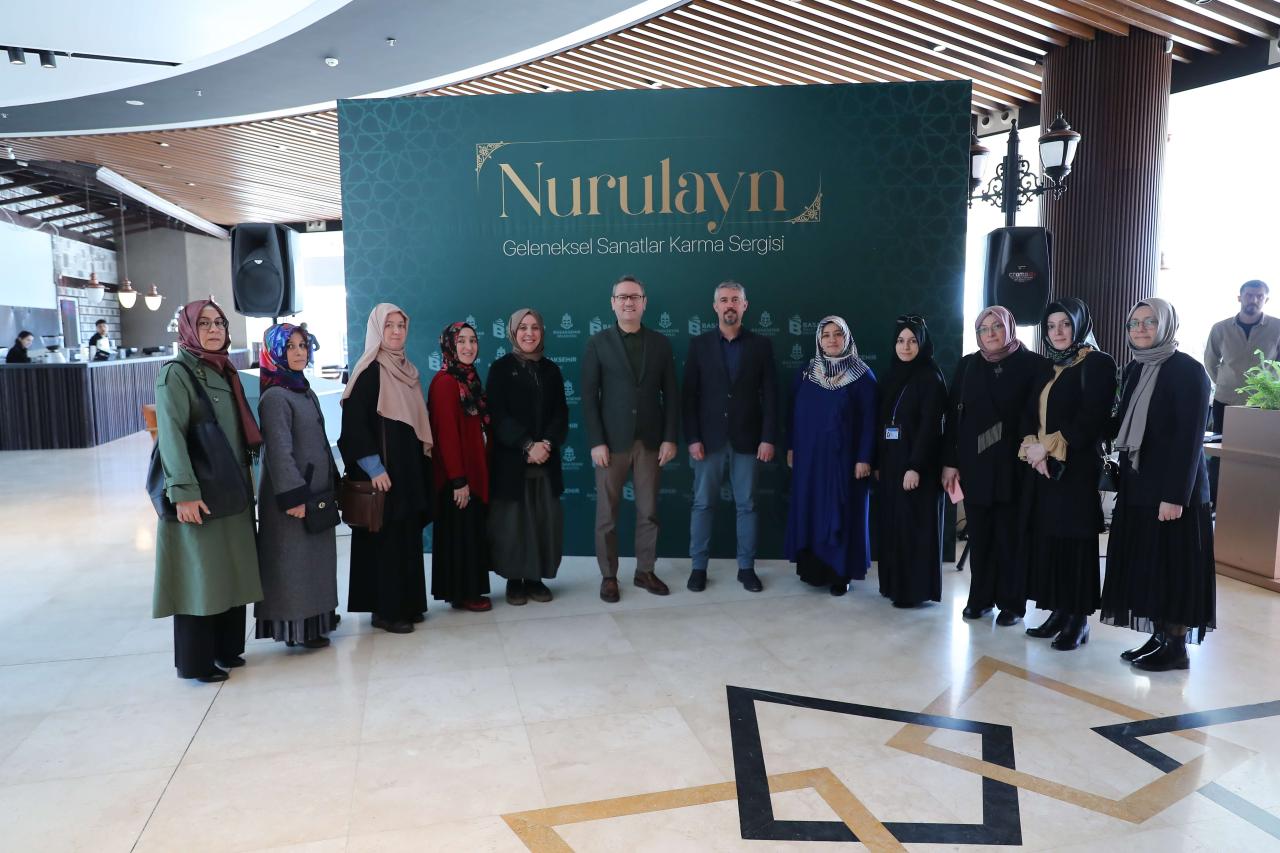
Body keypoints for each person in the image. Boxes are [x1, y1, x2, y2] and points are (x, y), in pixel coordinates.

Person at [1102, 298, 1215, 671]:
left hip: (1174, 493)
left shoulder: (1190, 372)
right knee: (1150, 565)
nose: (1140, 329)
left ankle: (1176, 646)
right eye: (1133, 323)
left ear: (1166, 325)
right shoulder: (1136, 368)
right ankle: (1159, 636)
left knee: (1173, 567)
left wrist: (1174, 496)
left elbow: (1189, 441)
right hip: (1139, 486)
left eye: (1149, 321)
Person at [152, 300, 263, 682]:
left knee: (230, 567)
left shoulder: (224, 369)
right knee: (200, 574)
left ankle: (227, 648)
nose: (214, 330)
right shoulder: (177, 373)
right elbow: (171, 436)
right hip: (201, 491)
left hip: (231, 488)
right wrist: (183, 491)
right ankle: (197, 662)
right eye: (204, 323)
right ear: (187, 329)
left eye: (219, 323)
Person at [1019, 297, 1117, 651]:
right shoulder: (1048, 366)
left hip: (1076, 470)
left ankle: (1078, 620)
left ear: (1079, 325)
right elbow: (1029, 412)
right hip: (1044, 469)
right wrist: (1033, 446)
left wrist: (1047, 447)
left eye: (1065, 324)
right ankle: (1058, 612)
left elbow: (1093, 418)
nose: (1057, 332)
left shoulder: (1098, 363)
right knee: (1051, 541)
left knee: (1075, 543)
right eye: (1051, 326)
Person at [581, 274, 679, 603]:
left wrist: (670, 438)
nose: (628, 302)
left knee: (648, 511)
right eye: (622, 297)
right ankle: (609, 576)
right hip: (610, 443)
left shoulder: (660, 343)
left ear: (644, 302)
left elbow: (672, 395)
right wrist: (596, 441)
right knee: (607, 515)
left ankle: (644, 571)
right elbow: (588, 397)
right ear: (613, 303)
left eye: (634, 297)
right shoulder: (597, 343)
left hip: (650, 442)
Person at [941, 306, 1042, 625]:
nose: (990, 334)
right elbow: (953, 417)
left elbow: (1036, 416)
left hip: (1015, 463)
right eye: (983, 329)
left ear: (1009, 328)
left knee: (1011, 536)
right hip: (976, 463)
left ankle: (1012, 603)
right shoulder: (968, 365)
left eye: (996, 326)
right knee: (981, 534)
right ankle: (980, 598)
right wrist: (950, 462)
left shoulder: (1033, 364)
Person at [338, 303, 434, 634]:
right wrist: (374, 468)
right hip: (382, 476)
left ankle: (409, 604)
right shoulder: (369, 373)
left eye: (401, 325)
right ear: (377, 330)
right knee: (386, 542)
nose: (396, 331)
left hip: (407, 473)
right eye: (389, 325)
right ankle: (386, 611)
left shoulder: (408, 372)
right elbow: (354, 427)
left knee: (406, 538)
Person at [682, 281, 778, 593]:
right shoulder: (699, 345)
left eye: (735, 299)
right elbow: (689, 397)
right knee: (702, 504)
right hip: (707, 441)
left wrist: (768, 437)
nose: (730, 305)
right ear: (715, 307)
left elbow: (771, 396)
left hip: (748, 440)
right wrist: (692, 438)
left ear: (744, 305)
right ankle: (698, 568)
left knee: (747, 505)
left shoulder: (761, 345)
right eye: (724, 300)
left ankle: (746, 569)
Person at [254, 323, 338, 649]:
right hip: (292, 499)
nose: (299, 352)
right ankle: (296, 630)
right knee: (293, 565)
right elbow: (278, 451)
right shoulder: (275, 396)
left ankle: (317, 622)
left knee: (315, 563)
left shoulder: (303, 389)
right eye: (290, 347)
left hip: (315, 492)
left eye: (303, 345)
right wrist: (293, 497)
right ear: (275, 352)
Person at [785, 316, 877, 596]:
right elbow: (792, 415)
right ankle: (813, 571)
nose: (832, 339)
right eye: (826, 335)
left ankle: (840, 574)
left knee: (842, 514)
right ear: (819, 341)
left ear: (847, 338)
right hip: (810, 462)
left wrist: (864, 458)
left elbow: (871, 421)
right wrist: (791, 447)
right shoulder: (806, 373)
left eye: (838, 334)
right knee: (812, 512)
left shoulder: (862, 376)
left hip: (845, 464)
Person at [486, 308, 569, 606]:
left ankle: (535, 579)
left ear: (542, 332)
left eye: (534, 327)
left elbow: (561, 413)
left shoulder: (552, 370)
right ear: (513, 332)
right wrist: (526, 445)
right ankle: (514, 580)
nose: (529, 333)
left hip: (546, 461)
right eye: (523, 327)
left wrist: (546, 443)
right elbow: (497, 415)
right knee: (514, 525)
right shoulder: (500, 369)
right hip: (512, 463)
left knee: (543, 522)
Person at [875, 314, 947, 608]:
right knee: (894, 526)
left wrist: (915, 466)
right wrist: (879, 463)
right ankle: (893, 586)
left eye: (912, 341)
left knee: (913, 529)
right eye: (900, 340)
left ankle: (912, 591)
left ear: (923, 343)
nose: (905, 347)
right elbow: (882, 424)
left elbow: (930, 428)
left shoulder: (930, 378)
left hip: (918, 468)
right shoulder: (891, 376)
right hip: (892, 464)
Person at [427, 322, 493, 612]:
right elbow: (446, 435)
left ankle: (464, 590)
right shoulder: (445, 383)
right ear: (449, 346)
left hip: (472, 471)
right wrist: (458, 480)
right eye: (461, 341)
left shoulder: (469, 378)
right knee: (460, 534)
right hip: (458, 477)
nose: (468, 347)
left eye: (472, 340)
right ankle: (465, 592)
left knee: (468, 532)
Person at [1203, 280, 1278, 504]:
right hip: (1225, 400)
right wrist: (1224, 382)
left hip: (1263, 405)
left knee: (1259, 454)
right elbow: (1210, 360)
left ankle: (1252, 500)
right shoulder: (1220, 328)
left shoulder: (1277, 327)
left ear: (1266, 299)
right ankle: (1215, 501)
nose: (1253, 300)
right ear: (1240, 297)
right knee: (1221, 452)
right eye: (1249, 295)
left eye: (1259, 296)